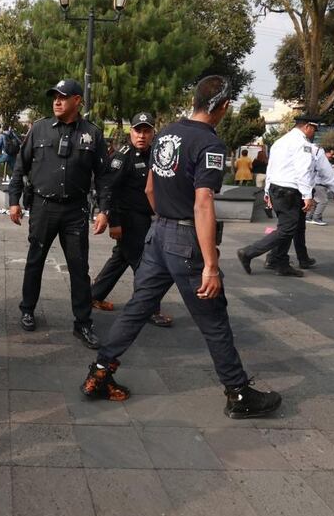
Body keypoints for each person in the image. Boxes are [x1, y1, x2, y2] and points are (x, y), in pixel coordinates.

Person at [80, 76, 281, 420]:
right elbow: (203, 203)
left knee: (138, 307)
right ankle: (237, 391)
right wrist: (210, 264)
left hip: (158, 234)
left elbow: (149, 189)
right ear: (222, 106)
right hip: (186, 240)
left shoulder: (166, 134)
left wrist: (164, 219)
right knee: (214, 318)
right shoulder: (209, 143)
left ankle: (100, 372)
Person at [7, 79, 107, 348]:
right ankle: (27, 310)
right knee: (35, 260)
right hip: (43, 207)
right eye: (54, 97)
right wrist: (14, 200)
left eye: (63, 96)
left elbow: (103, 176)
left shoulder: (92, 134)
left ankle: (83, 323)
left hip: (76, 210)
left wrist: (104, 210)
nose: (57, 101)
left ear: (78, 100)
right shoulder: (39, 129)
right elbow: (20, 166)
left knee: (79, 267)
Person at [90, 113, 172, 328]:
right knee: (145, 265)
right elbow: (109, 190)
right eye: (138, 130)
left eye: (146, 131)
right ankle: (150, 309)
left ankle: (93, 294)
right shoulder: (123, 156)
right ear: (131, 132)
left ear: (153, 132)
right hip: (128, 219)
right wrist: (114, 221)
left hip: (144, 219)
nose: (142, 135)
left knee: (121, 259)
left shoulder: (154, 154)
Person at [236, 115, 326, 277]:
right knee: (287, 229)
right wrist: (307, 195)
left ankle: (280, 262)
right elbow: (303, 170)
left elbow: (271, 167)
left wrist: (267, 191)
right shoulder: (302, 144)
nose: (314, 132)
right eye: (313, 128)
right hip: (290, 191)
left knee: (289, 226)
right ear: (306, 127)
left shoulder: (280, 142)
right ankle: (248, 252)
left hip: (277, 188)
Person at [305, 147, 334, 225]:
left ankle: (309, 216)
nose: (331, 156)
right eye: (331, 154)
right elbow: (327, 175)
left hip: (315, 183)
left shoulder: (318, 160)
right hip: (319, 184)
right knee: (323, 201)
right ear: (326, 153)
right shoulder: (321, 161)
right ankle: (316, 218)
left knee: (316, 201)